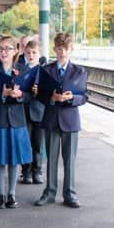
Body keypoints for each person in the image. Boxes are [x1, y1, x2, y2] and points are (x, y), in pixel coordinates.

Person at [35, 33, 88, 209]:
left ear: (71, 49)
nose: (62, 52)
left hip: (71, 120)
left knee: (69, 159)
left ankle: (70, 194)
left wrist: (72, 98)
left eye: (65, 49)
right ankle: (49, 192)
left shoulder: (80, 71)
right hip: (51, 118)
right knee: (50, 158)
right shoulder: (46, 70)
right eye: (59, 48)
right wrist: (51, 97)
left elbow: (85, 96)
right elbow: (40, 95)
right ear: (54, 49)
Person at [0, 36, 32, 209]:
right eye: (1, 49)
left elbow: (30, 95)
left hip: (17, 120)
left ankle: (12, 194)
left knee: (14, 160)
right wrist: (3, 94)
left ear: (15, 51)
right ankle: (0, 195)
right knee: (0, 160)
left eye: (8, 48)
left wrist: (20, 96)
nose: (4, 52)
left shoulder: (23, 69)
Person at [16, 40, 46, 184]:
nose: (31, 55)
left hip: (40, 111)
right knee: (25, 142)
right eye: (28, 53)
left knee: (38, 144)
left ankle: (37, 171)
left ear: (40, 54)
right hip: (24, 110)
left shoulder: (44, 70)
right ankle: (26, 171)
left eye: (34, 53)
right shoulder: (20, 69)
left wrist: (40, 91)